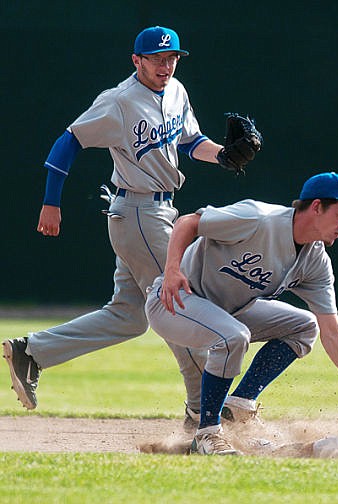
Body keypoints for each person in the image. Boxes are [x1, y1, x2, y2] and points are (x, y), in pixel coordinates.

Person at [2, 26, 260, 427]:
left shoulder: (177, 92)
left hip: (159, 213)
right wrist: (51, 201)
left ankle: (32, 353)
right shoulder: (119, 101)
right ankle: (202, 414)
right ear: (136, 60)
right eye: (157, 58)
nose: (166, 65)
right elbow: (67, 141)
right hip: (139, 214)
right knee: (181, 306)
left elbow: (191, 143)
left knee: (129, 316)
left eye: (172, 57)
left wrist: (224, 155)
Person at [145, 171, 338, 455]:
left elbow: (331, 329)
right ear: (317, 206)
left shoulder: (315, 261)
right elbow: (189, 222)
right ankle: (207, 433)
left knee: (305, 326)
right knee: (233, 336)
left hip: (228, 311)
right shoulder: (258, 219)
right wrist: (172, 269)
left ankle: (238, 408)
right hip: (175, 300)